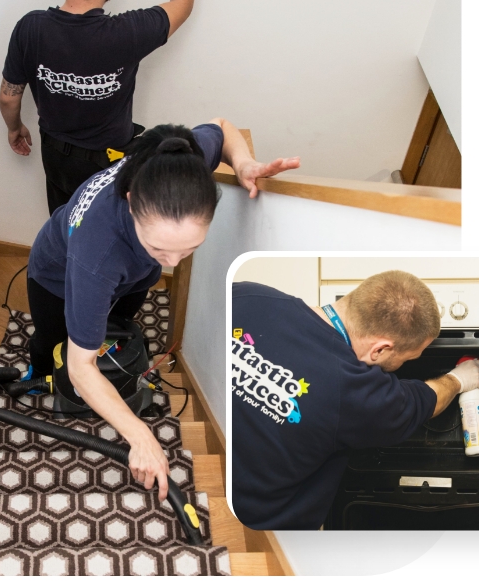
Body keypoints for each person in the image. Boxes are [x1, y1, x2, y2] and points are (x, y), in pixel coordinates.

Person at [27, 118, 299, 500]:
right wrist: (140, 436)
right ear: (131, 202)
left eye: (188, 250)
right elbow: (80, 367)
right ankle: (35, 374)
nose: (172, 262)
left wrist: (242, 163)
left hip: (130, 275)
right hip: (55, 276)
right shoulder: (97, 257)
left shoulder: (179, 164)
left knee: (115, 324)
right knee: (57, 346)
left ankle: (107, 322)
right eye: (160, 249)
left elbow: (222, 130)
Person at [230, 271, 479, 530]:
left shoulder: (247, 294)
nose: (403, 366)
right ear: (380, 349)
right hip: (259, 534)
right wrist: (459, 379)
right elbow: (421, 401)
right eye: (408, 359)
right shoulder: (352, 390)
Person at [0, 0, 197, 214]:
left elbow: (8, 98)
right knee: (102, 234)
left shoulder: (30, 27)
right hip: (104, 168)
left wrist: (14, 128)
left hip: (55, 157)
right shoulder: (127, 32)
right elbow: (182, 3)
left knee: (64, 227)